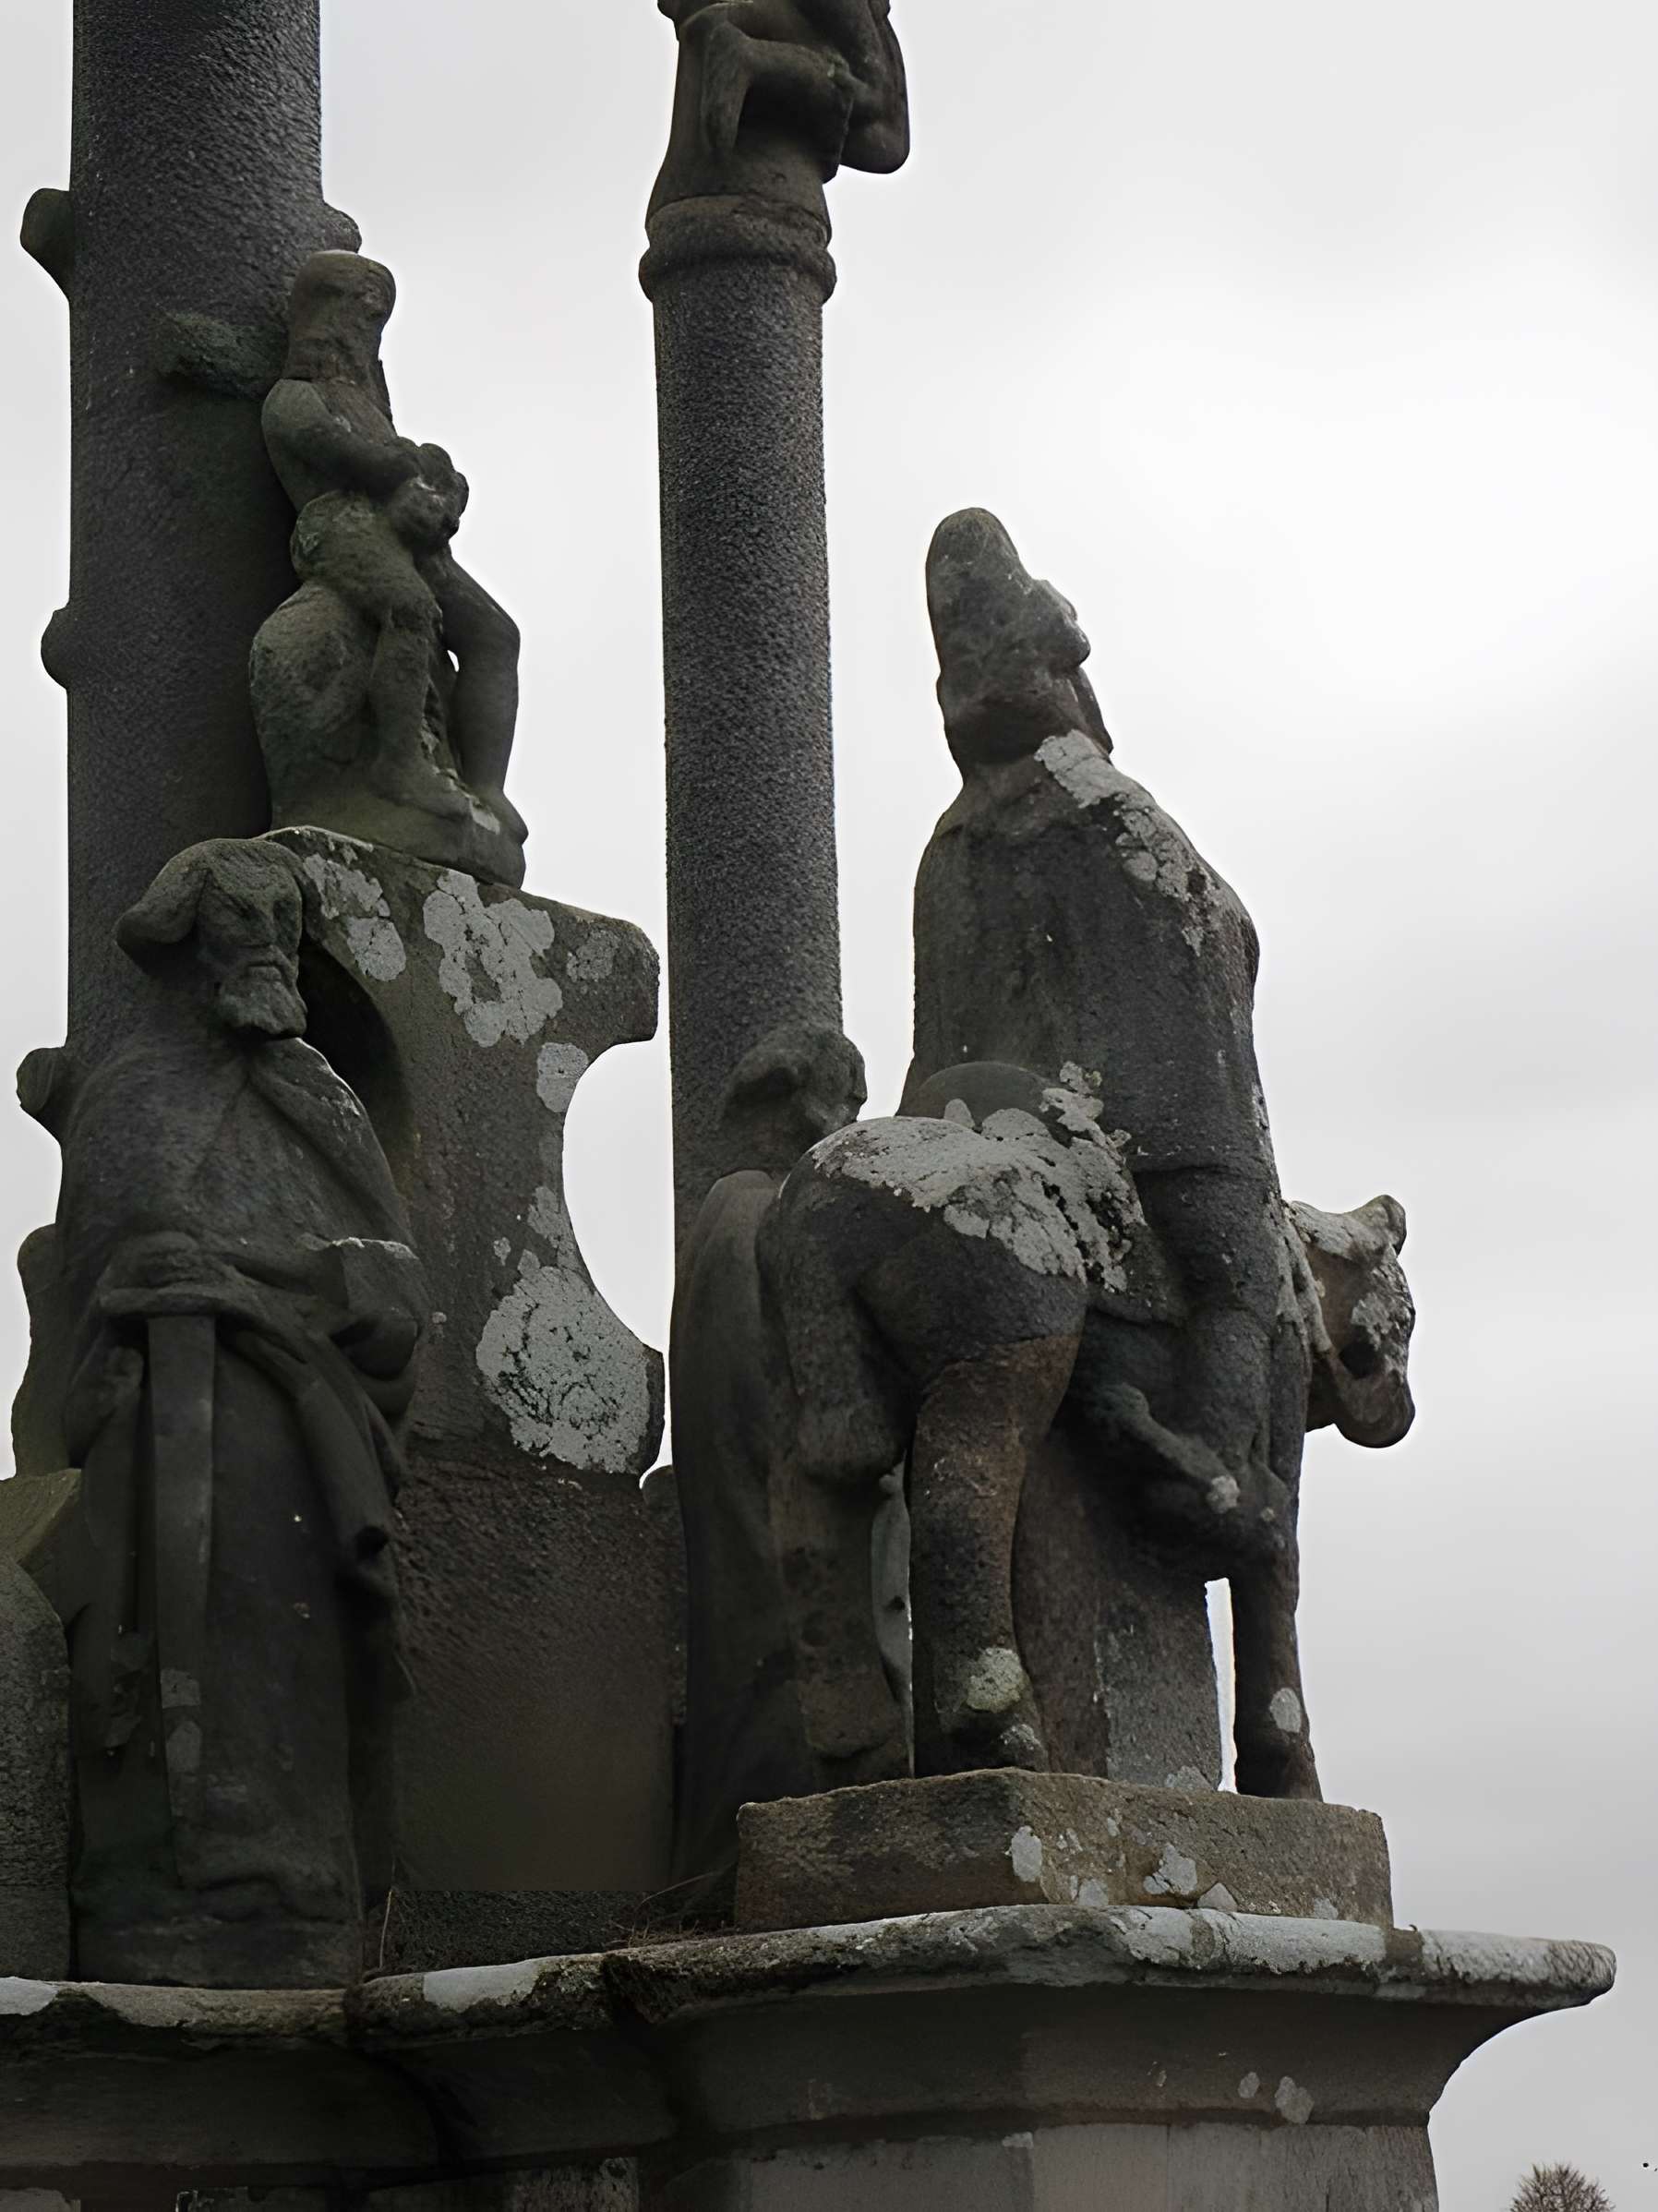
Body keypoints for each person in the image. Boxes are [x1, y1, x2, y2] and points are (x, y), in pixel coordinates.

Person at [55, 838, 426, 1987]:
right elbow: (91, 1282)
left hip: (300, 1439)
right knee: (179, 1636)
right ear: (189, 943)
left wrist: (261, 1282)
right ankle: (170, 1893)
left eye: (283, 924)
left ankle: (303, 1887)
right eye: (240, 922)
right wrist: (153, 1291)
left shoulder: (324, 1096)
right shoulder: (131, 1098)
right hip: (166, 1431)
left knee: (295, 1651)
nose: (268, 946)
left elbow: (395, 1286)